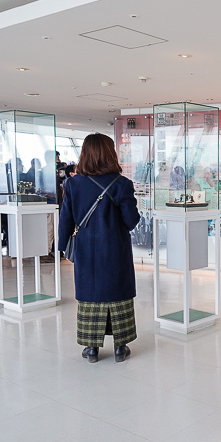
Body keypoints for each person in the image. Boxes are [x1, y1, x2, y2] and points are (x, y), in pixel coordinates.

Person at [58, 134, 140, 363]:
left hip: (86, 251)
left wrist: (63, 247)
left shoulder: (73, 184)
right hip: (116, 250)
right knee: (118, 295)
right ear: (110, 153)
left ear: (85, 153)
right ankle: (120, 347)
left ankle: (92, 348)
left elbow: (66, 219)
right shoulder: (122, 184)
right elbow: (131, 221)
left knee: (90, 297)